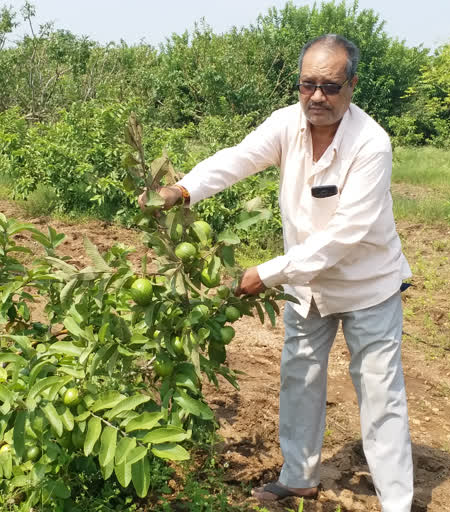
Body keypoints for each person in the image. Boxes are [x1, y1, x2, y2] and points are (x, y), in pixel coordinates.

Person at [140, 34, 414, 511]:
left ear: (352, 84)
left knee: (379, 394)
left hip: (367, 287)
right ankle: (299, 476)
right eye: (308, 84)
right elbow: (237, 158)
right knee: (300, 378)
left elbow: (343, 237)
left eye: (330, 86)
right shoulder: (287, 124)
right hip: (305, 287)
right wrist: (182, 191)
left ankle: (396, 502)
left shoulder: (372, 144)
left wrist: (266, 273)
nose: (317, 97)